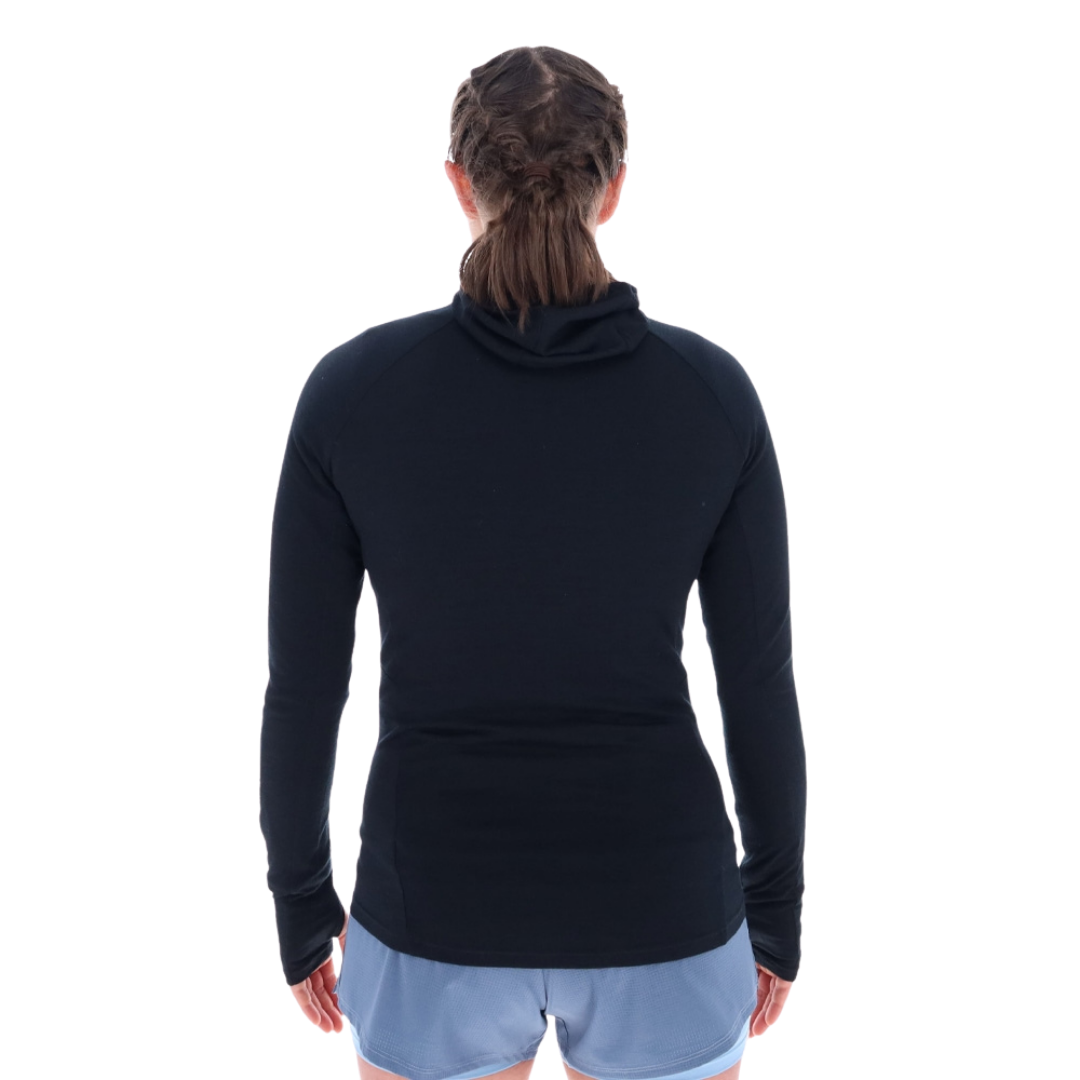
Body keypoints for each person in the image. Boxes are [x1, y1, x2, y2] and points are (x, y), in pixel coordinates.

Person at [264, 44, 804, 1080]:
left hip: (431, 909)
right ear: (616, 188)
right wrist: (774, 908)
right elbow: (758, 680)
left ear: (458, 183)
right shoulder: (711, 394)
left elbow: (305, 686)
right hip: (665, 907)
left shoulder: (352, 393)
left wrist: (300, 902)